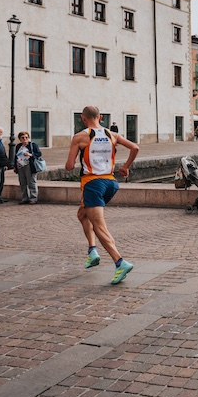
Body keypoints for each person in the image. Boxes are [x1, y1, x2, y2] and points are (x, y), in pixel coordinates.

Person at [65, 106, 139, 285]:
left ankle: (120, 262)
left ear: (83, 118)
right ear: (101, 117)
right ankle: (92, 251)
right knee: (82, 214)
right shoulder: (111, 134)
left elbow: (68, 166)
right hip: (111, 183)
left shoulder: (80, 136)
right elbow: (135, 148)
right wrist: (126, 166)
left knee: (99, 226)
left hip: (92, 183)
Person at [13, 131, 43, 205]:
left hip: (30, 165)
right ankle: (24, 198)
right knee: (22, 182)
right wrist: (15, 166)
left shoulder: (32, 145)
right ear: (20, 139)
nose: (25, 139)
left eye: (26, 137)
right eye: (22, 138)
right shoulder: (18, 146)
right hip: (20, 166)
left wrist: (30, 154)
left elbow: (39, 153)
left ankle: (33, 198)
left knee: (31, 182)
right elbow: (16, 156)